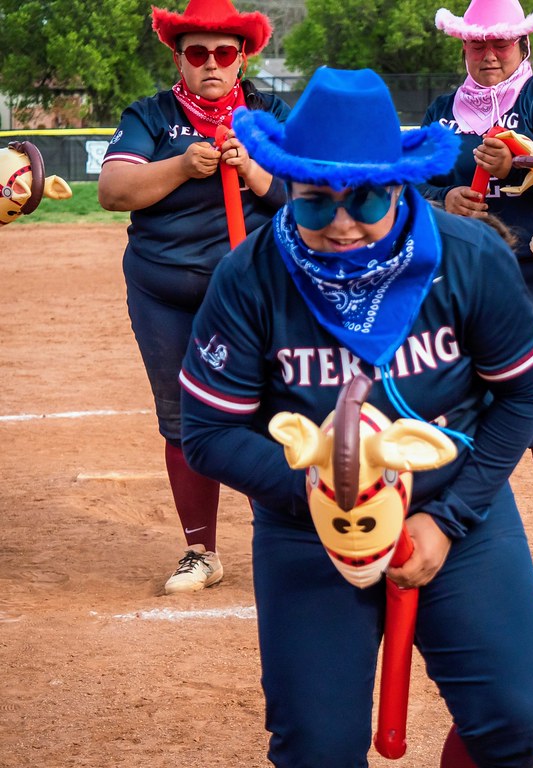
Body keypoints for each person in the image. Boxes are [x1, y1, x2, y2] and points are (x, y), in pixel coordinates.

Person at [178, 67, 533, 767]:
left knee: (520, 719)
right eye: (315, 204)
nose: (342, 224)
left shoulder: (469, 257)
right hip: (308, 523)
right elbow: (207, 433)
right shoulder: (251, 275)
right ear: (288, 188)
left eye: (365, 200)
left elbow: (527, 394)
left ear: (401, 186)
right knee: (316, 750)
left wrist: (445, 520)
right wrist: (327, 494)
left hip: (451, 506)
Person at [97, 0, 290, 594]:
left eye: (224, 53)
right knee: (182, 421)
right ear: (179, 57)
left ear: (242, 59)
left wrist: (256, 172)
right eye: (198, 53)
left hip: (254, 295)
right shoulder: (150, 115)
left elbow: (313, 195)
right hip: (164, 292)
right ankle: (200, 551)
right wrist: (181, 166)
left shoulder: (269, 113)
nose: (211, 64)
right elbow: (112, 189)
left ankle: (280, 542)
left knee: (272, 413)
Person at [421, 0, 533, 584]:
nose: (489, 54)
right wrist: (445, 200)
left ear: (524, 45)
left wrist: (521, 159)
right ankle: (448, 525)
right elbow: (415, 182)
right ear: (463, 47)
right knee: (449, 396)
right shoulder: (444, 110)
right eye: (478, 44)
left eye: (500, 43)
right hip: (461, 273)